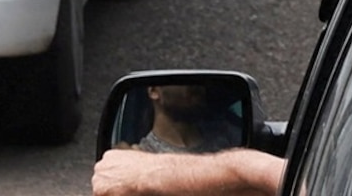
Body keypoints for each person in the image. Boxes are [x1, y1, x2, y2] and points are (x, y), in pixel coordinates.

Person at [92, 84, 281, 196]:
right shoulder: (137, 156)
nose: (197, 88)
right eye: (181, 83)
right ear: (154, 91)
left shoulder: (230, 133)